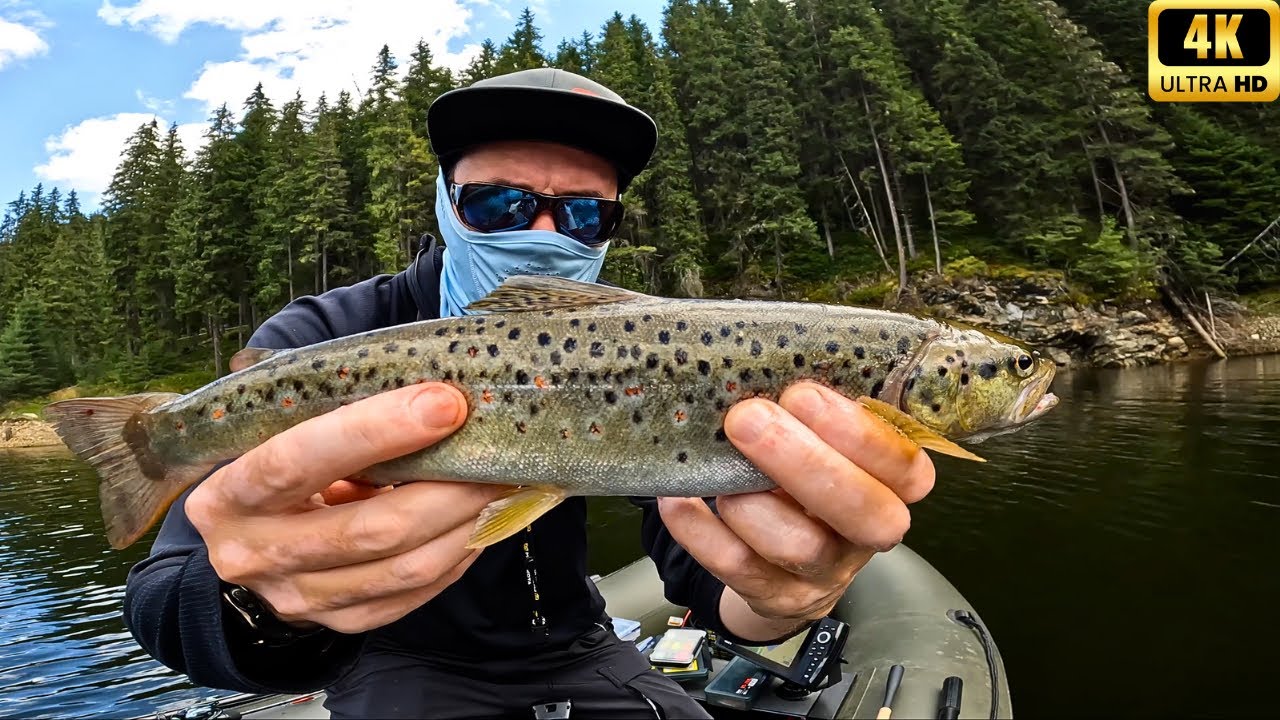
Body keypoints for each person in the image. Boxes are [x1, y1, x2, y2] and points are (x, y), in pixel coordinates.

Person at [122, 69, 935, 719]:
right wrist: (270, 605)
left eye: (584, 214)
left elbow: (701, 569)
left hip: (582, 647)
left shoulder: (653, 347)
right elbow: (166, 602)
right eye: (501, 203)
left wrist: (784, 596)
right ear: (446, 204)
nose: (542, 234)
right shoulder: (327, 337)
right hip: (396, 664)